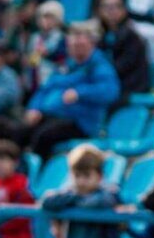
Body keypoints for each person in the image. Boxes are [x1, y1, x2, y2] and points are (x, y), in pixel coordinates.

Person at [20, 21, 120, 160]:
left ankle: (34, 170)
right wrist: (34, 108)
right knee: (20, 131)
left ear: (92, 43)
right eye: (72, 41)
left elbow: (110, 91)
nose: (75, 45)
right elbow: (45, 88)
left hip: (80, 122)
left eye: (79, 41)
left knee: (44, 136)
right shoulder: (65, 65)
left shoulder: (99, 66)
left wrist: (80, 93)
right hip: (51, 116)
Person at [96, 0, 151, 103]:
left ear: (124, 10)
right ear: (99, 11)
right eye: (106, 7)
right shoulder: (102, 36)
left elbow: (123, 67)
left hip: (129, 88)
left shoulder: (132, 37)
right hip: (110, 84)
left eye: (116, 6)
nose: (111, 11)